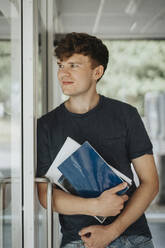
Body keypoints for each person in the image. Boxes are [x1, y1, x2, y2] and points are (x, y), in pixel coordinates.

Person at [37, 32, 159, 248]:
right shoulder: (46, 126)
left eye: (73, 65)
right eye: (60, 65)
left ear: (97, 71)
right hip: (80, 240)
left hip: (132, 237)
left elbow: (150, 183)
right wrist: (95, 206)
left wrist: (111, 231)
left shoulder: (126, 115)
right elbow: (46, 195)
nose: (63, 73)